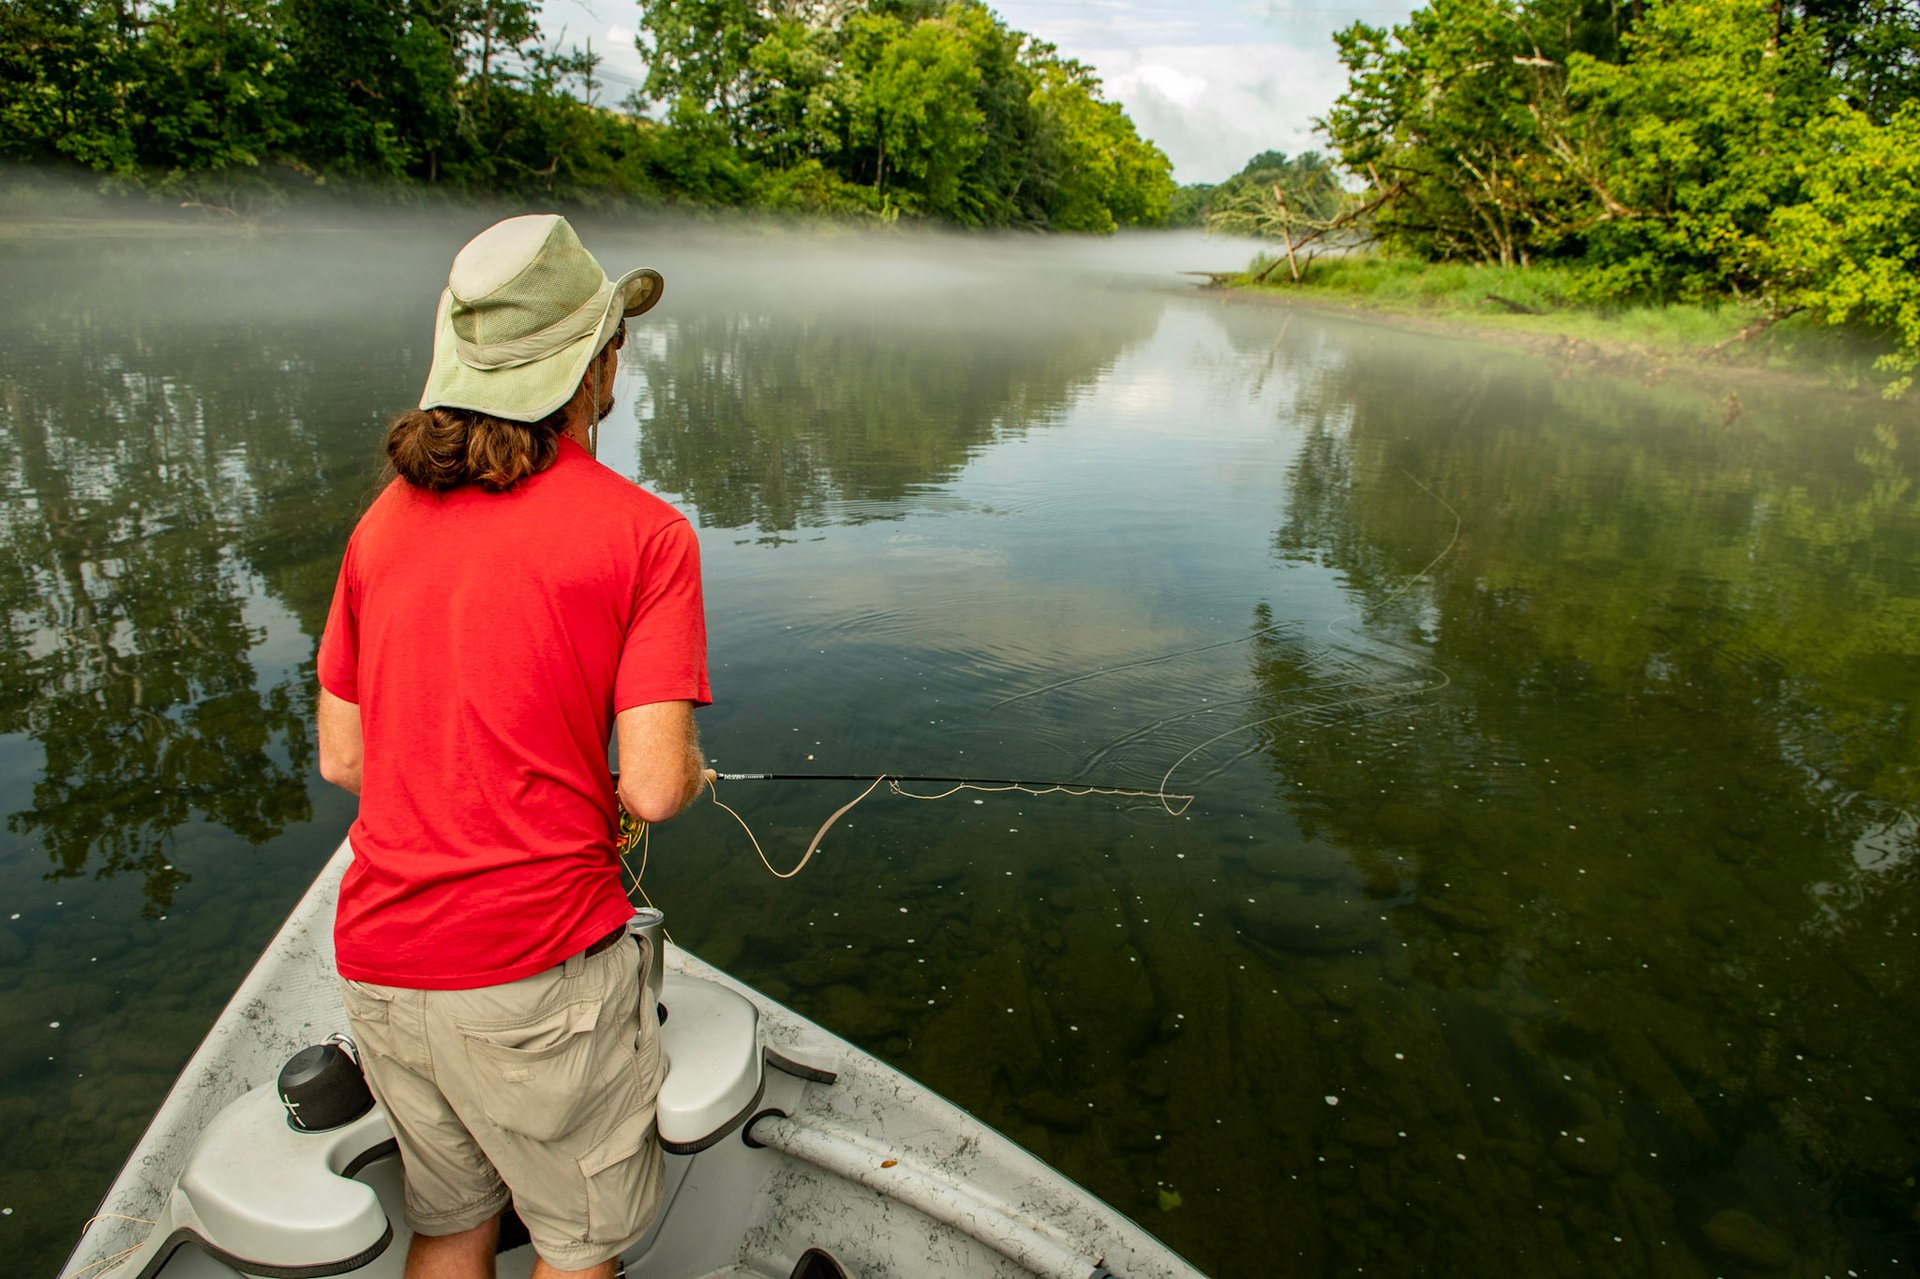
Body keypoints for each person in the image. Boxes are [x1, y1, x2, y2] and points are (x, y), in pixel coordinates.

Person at [315, 213, 712, 1279]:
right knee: (579, 1244)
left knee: (450, 1221)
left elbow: (346, 760)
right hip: (535, 975)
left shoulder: (379, 524)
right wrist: (672, 771)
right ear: (593, 363)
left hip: (383, 968)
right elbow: (658, 787)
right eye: (614, 338)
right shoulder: (646, 536)